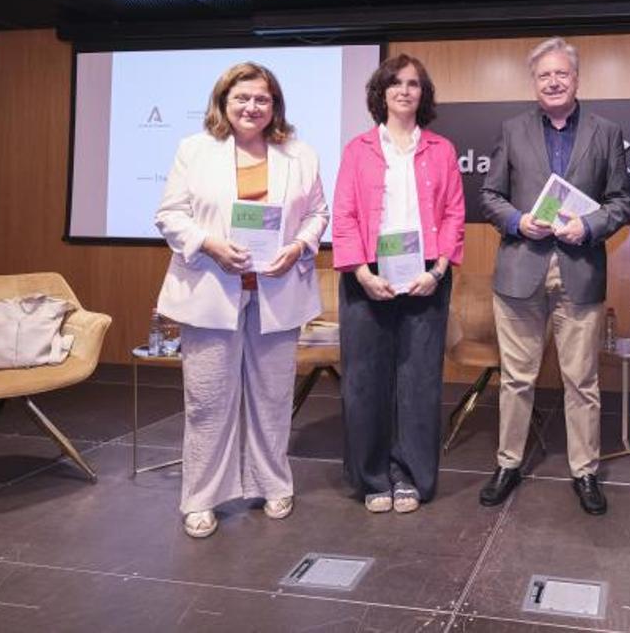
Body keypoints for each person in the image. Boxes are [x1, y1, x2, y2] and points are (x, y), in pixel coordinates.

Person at [155, 61, 330, 539]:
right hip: (211, 290)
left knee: (273, 397)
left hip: (277, 291)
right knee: (208, 400)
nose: (252, 107)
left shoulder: (300, 154)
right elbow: (170, 215)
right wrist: (210, 244)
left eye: (262, 99)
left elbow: (318, 213)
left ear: (275, 106)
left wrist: (298, 246)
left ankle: (272, 484)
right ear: (223, 102)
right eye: (242, 98)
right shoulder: (194, 150)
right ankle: (200, 499)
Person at [478, 37, 630, 515]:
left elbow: (623, 202)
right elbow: (489, 195)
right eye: (544, 75)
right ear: (535, 82)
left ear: (576, 78)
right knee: (517, 379)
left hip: (579, 268)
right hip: (520, 268)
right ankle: (508, 463)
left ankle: (584, 471)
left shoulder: (606, 131)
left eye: (561, 73)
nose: (553, 81)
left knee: (582, 381)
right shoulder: (513, 128)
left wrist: (587, 226)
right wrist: (517, 221)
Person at [332, 54, 465, 514]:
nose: (405, 90)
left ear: (423, 94)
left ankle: (411, 475)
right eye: (396, 83)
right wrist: (362, 274)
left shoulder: (442, 150)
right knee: (365, 382)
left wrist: (439, 270)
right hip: (366, 273)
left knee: (419, 381)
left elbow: (453, 215)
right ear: (381, 92)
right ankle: (372, 477)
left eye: (414, 84)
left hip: (427, 274)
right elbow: (344, 216)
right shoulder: (358, 149)